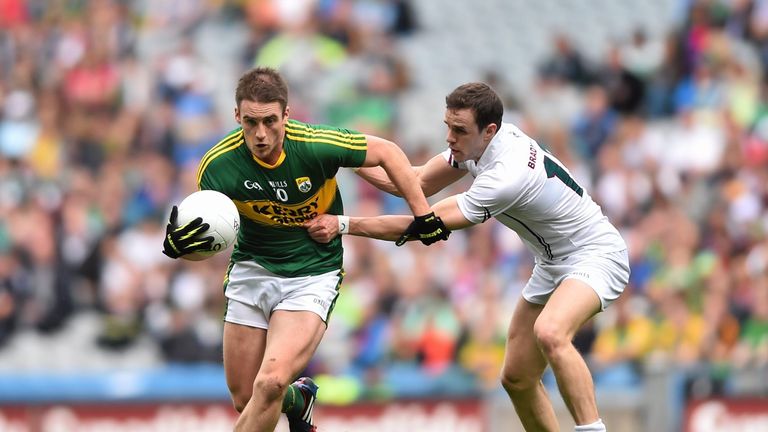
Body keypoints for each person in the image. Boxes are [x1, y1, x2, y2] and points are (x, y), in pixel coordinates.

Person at [305, 82, 630, 432]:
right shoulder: (479, 145)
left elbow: (423, 224)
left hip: (596, 254)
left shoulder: (506, 176)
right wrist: (341, 156)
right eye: (448, 126)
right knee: (517, 379)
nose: (449, 137)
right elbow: (412, 183)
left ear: (489, 130)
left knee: (550, 333)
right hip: (552, 264)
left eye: (459, 130)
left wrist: (343, 224)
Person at [161, 66, 448, 432]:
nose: (260, 134)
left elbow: (388, 152)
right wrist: (181, 248)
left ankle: (289, 393)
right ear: (237, 117)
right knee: (245, 398)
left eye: (269, 121)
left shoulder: (314, 145)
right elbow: (208, 233)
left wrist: (422, 214)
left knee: (269, 383)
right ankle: (301, 400)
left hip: (312, 272)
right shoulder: (217, 167)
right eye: (250, 122)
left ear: (286, 114)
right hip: (252, 267)